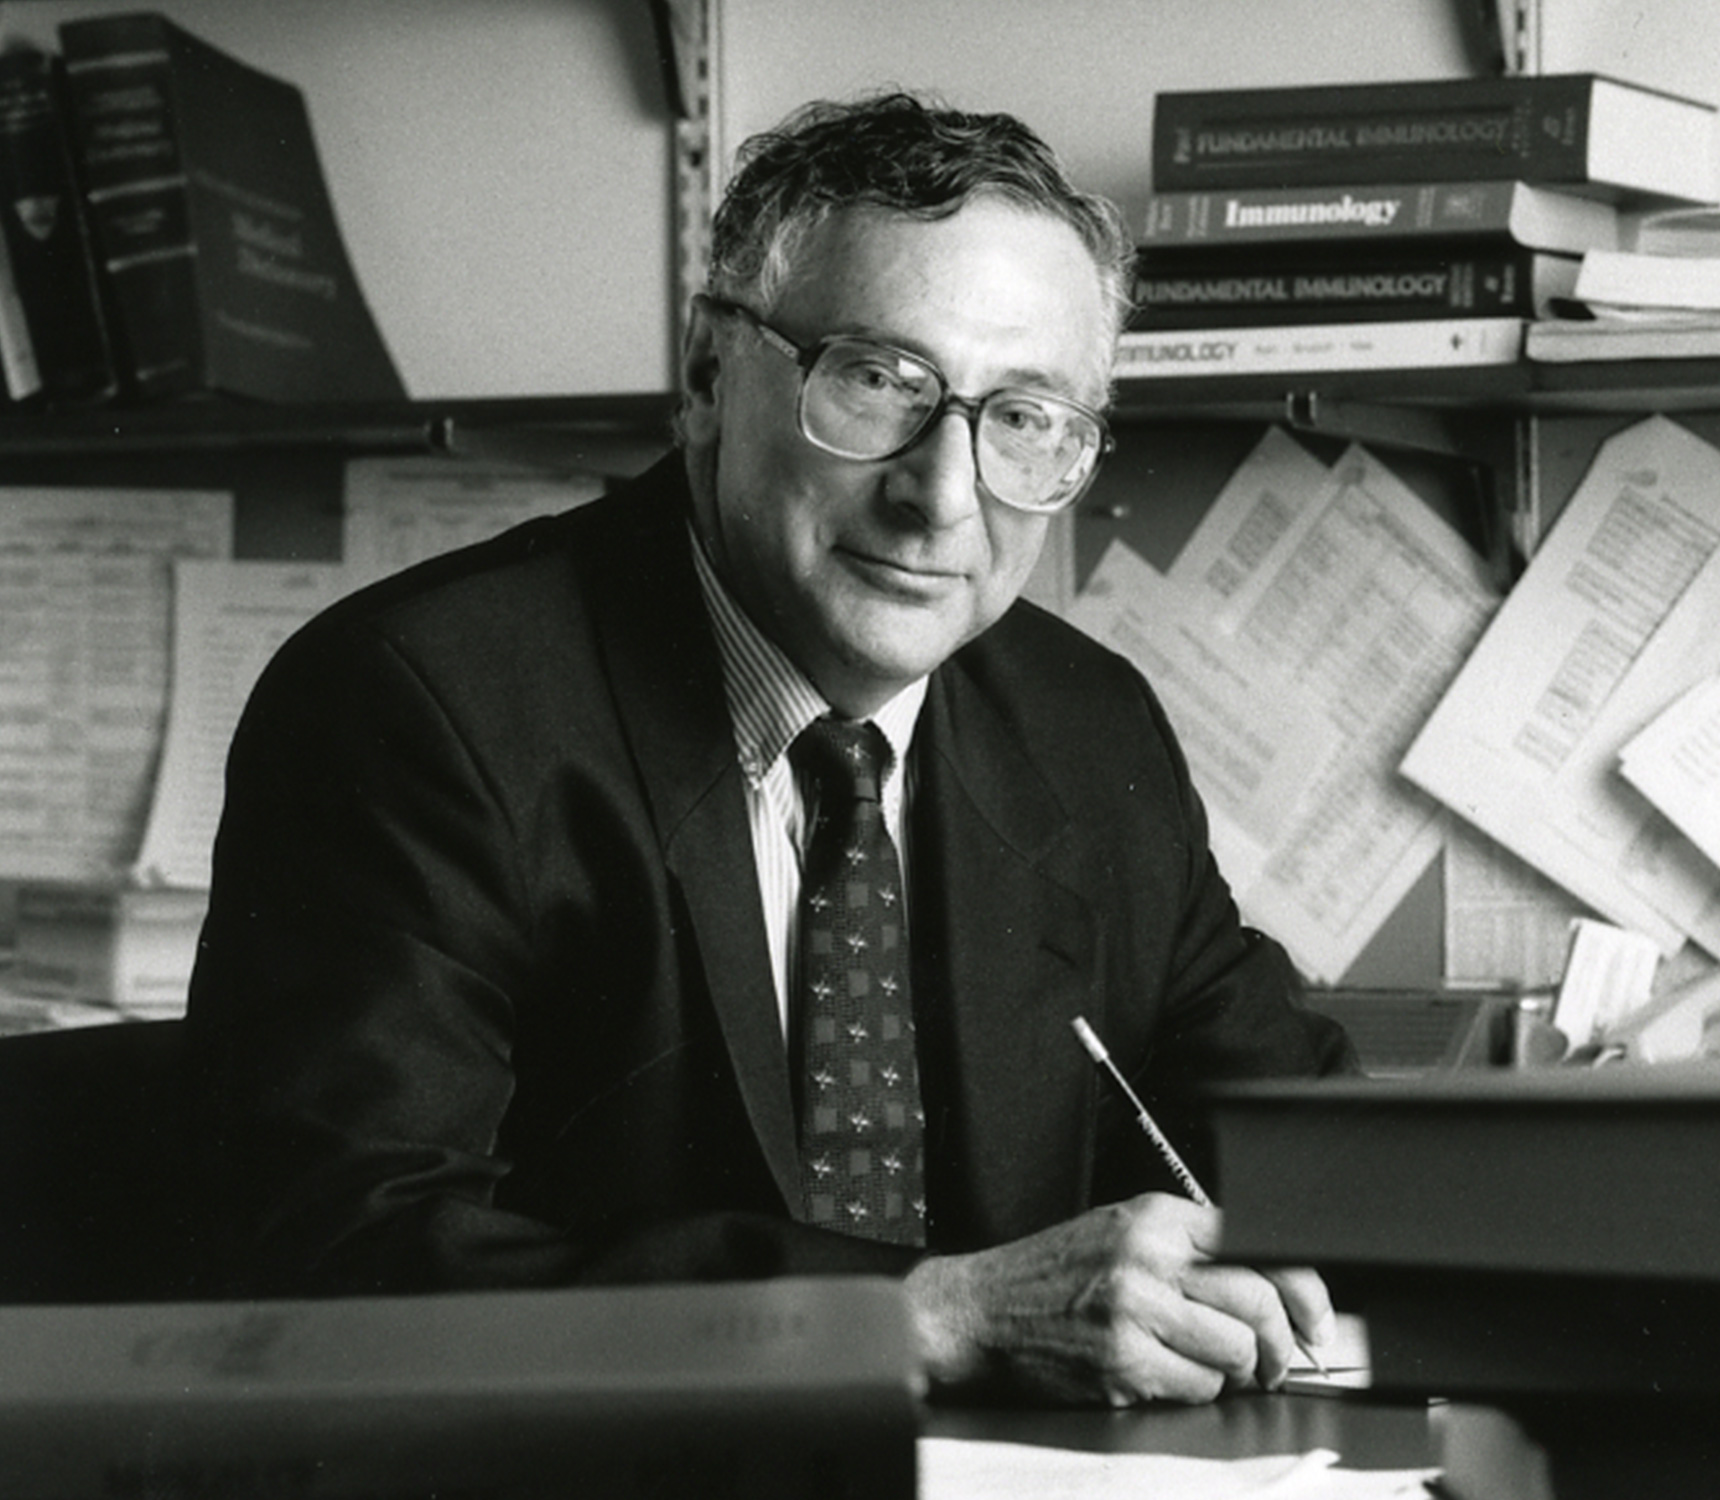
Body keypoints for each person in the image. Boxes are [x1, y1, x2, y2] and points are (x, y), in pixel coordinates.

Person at [182, 90, 1355, 1407]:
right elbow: (339, 1253)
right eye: (876, 381)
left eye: (1025, 417)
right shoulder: (418, 703)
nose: (942, 497)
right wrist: (922, 1317)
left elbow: (1285, 1128)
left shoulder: (1088, 726)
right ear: (706, 378)